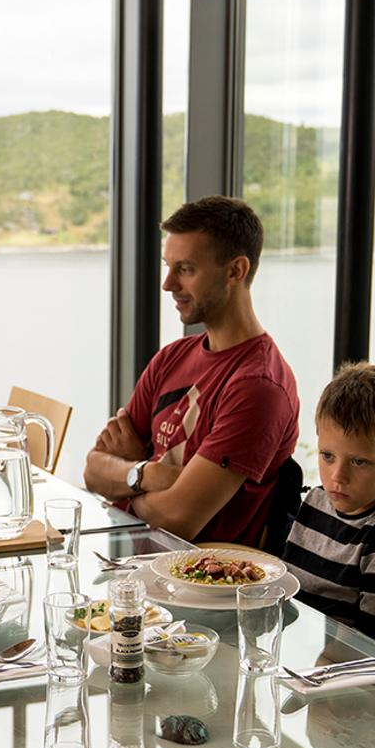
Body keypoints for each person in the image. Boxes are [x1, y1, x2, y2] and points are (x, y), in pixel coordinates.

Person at [83, 195, 299, 545]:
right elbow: (93, 469)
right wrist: (148, 473)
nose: (167, 284)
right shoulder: (172, 357)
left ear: (235, 271)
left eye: (185, 269)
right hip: (136, 569)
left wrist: (125, 483)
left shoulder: (259, 386)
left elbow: (179, 519)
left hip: (206, 588)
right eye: (168, 267)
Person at [280, 362, 375, 646]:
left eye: (359, 461)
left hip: (346, 676)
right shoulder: (316, 501)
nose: (337, 477)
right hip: (297, 652)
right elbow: (288, 595)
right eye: (327, 456)